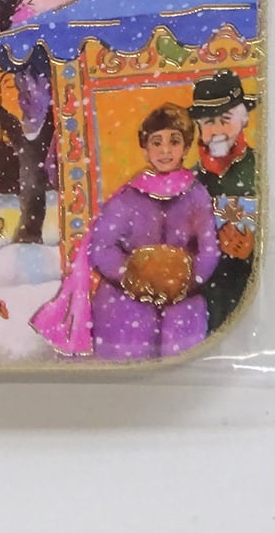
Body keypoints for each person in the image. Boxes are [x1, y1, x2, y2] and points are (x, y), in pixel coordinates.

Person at [30, 103, 220, 361]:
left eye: (174, 142)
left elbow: (209, 249)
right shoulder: (128, 197)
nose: (165, 150)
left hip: (182, 302)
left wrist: (185, 281)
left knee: (182, 363)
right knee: (128, 360)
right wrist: (134, 275)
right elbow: (100, 246)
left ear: (186, 147)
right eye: (156, 142)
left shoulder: (197, 195)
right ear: (145, 149)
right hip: (126, 305)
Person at [189, 71, 259, 333]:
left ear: (243, 120)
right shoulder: (191, 182)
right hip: (203, 295)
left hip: (250, 292)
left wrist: (253, 248)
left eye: (225, 119)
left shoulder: (259, 169)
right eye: (209, 122)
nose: (217, 130)